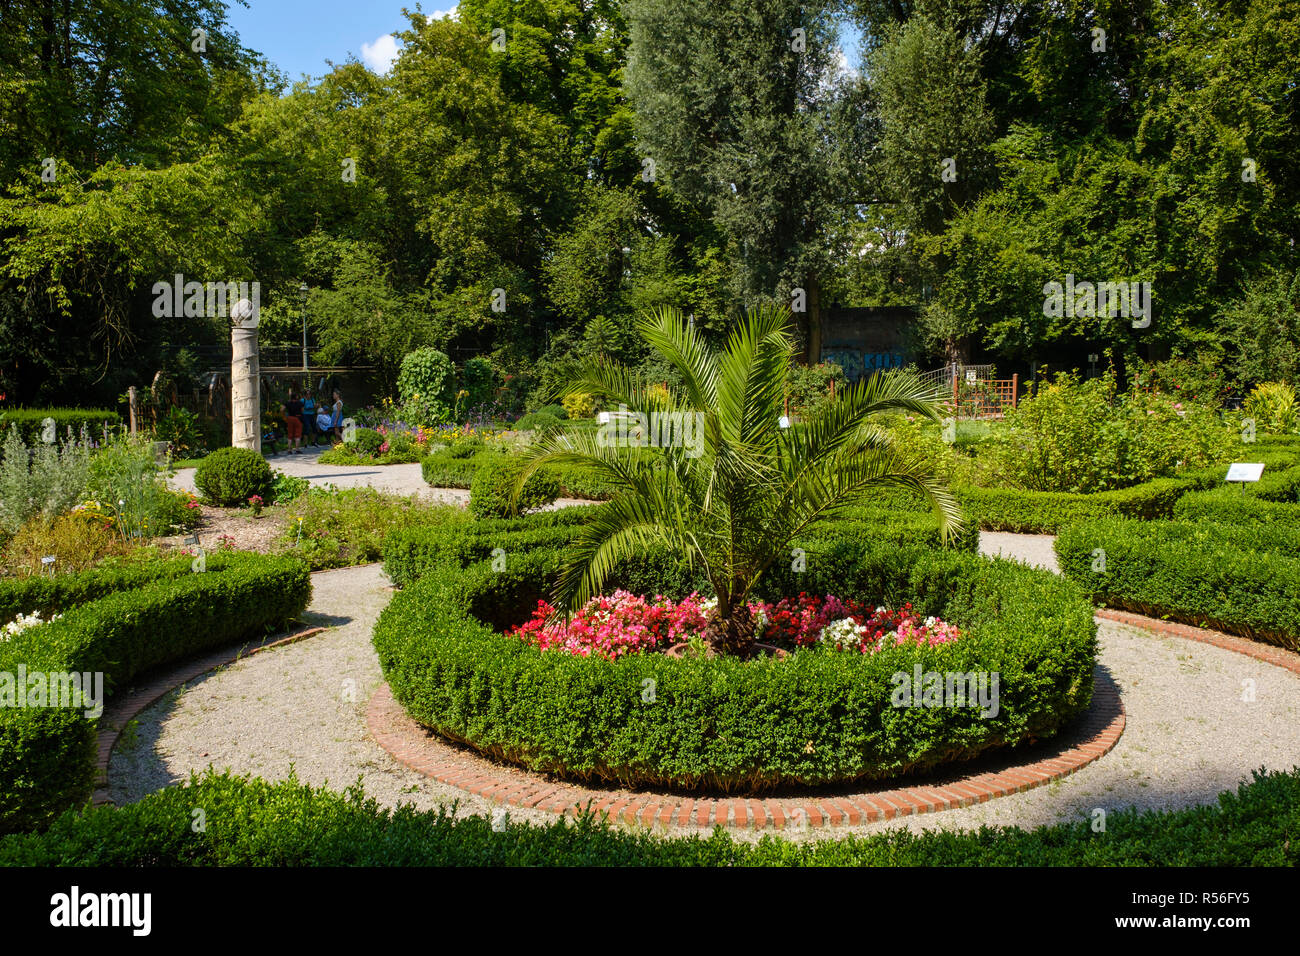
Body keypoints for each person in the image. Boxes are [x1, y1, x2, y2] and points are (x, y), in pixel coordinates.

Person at [282, 387, 304, 454]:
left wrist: (284, 416)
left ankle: (289, 450)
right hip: (297, 418)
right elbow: (302, 411)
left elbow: (281, 409)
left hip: (290, 418)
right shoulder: (300, 403)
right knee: (298, 434)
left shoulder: (287, 403)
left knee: (290, 434)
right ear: (296, 397)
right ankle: (297, 449)